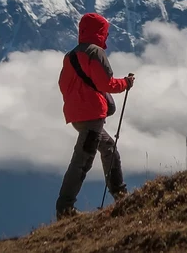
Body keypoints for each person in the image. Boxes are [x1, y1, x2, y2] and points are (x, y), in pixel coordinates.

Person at [55, 12, 135, 219]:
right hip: (92, 116)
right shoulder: (95, 53)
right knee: (82, 160)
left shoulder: (70, 55)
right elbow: (105, 84)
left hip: (77, 116)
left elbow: (63, 84)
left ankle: (120, 193)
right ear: (100, 32)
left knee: (108, 147)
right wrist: (126, 83)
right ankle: (65, 208)